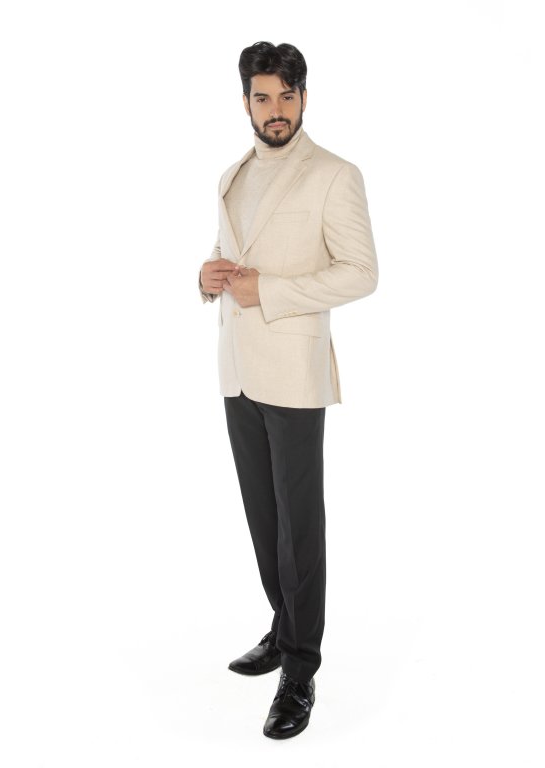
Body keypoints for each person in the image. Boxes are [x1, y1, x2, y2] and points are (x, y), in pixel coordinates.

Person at [198, 41, 378, 740]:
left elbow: (360, 272)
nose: (276, 110)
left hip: (295, 373)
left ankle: (301, 668)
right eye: (263, 97)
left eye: (287, 96)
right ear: (245, 101)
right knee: (263, 517)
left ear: (305, 97)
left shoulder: (334, 175)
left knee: (300, 527)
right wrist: (208, 276)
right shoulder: (233, 175)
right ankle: (282, 626)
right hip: (238, 370)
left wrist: (267, 291)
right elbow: (232, 257)